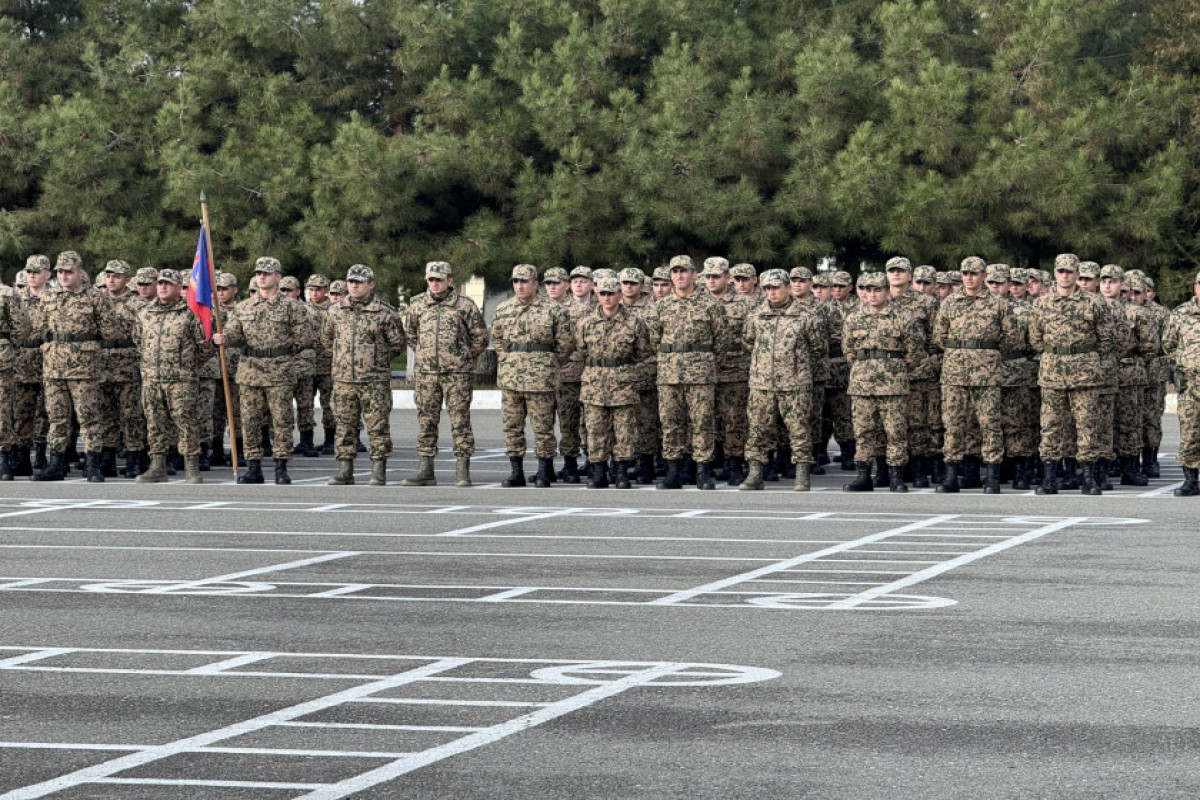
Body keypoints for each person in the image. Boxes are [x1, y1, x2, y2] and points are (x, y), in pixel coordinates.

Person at [212, 256, 315, 485]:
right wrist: (223, 338)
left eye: (266, 273)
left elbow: (304, 338)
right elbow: (234, 334)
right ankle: (253, 466)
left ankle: (281, 465)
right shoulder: (244, 307)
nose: (261, 276)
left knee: (282, 420)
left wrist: (283, 353)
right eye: (258, 273)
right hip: (250, 371)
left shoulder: (292, 307)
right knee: (249, 421)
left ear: (278, 277)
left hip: (279, 370)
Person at [1027, 253, 1120, 495]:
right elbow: (1036, 339)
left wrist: (1084, 357)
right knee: (1051, 426)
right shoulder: (1042, 303)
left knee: (1087, 425)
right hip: (1052, 372)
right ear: (1055, 273)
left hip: (1085, 374)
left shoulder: (1094, 303)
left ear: (1077, 274)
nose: (1065, 275)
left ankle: (1089, 478)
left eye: (1070, 271)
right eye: (1061, 271)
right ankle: (1049, 477)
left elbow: (1106, 338)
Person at [32, 251, 126, 482]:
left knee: (89, 417)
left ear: (80, 273)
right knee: (57, 418)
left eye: (68, 272)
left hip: (84, 367)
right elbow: (37, 327)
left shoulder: (95, 297)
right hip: (54, 366)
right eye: (60, 272)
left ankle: (93, 464)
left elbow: (111, 331)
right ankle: (56, 464)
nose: (63, 276)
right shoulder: (48, 297)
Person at [932, 257, 1017, 493]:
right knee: (953, 424)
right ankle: (952, 475)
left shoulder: (998, 304)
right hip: (955, 372)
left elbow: (1012, 338)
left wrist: (985, 351)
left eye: (974, 273)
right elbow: (939, 337)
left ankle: (991, 476)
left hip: (986, 372)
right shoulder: (950, 303)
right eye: (965, 273)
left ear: (984, 275)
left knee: (990, 424)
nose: (969, 277)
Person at [401, 260, 488, 487]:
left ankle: (462, 470)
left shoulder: (464, 305)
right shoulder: (417, 304)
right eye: (431, 279)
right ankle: (425, 469)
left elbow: (480, 336)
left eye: (439, 279)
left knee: (460, 421)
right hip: (427, 374)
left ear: (450, 280)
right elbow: (410, 335)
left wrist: (464, 357)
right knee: (426, 421)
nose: (435, 283)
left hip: (456, 374)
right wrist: (425, 355)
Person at [738, 269, 826, 491]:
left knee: (799, 430)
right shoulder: (756, 316)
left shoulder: (806, 316)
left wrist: (797, 367)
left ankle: (802, 474)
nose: (771, 292)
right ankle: (755, 473)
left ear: (787, 288)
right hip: (762, 384)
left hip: (795, 383)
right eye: (767, 288)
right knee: (758, 429)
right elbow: (748, 344)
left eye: (776, 287)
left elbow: (819, 349)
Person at [649, 255, 729, 490]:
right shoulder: (661, 306)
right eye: (675, 272)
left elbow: (721, 341)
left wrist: (704, 364)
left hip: (700, 375)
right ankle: (674, 471)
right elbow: (654, 340)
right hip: (669, 375)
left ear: (695, 274)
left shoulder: (710, 305)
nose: (679, 276)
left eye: (684, 271)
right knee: (671, 422)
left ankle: (703, 471)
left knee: (702, 422)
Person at [842, 271, 926, 492]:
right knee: (863, 431)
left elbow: (915, 352)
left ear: (887, 291)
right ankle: (863, 475)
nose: (872, 295)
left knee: (895, 431)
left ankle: (896, 476)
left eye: (877, 290)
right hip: (862, 384)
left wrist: (895, 369)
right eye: (868, 290)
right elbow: (849, 351)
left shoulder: (904, 317)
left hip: (893, 384)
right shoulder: (854, 318)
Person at [323, 265, 407, 486]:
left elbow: (398, 344)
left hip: (374, 381)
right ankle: (344, 470)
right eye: (351, 281)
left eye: (359, 281)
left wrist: (374, 359)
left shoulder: (385, 312)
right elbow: (326, 341)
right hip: (343, 380)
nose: (354, 285)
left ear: (371, 284)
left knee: (378, 427)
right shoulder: (335, 311)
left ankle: (378, 470)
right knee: (343, 426)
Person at [491, 264, 573, 487]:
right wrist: (508, 359)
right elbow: (497, 339)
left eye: (524, 281)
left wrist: (548, 363)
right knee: (512, 426)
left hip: (541, 379)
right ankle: (516, 471)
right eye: (516, 282)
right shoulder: (504, 309)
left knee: (543, 427)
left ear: (535, 284)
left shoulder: (554, 310)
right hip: (511, 378)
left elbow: (565, 344)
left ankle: (544, 471)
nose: (519, 285)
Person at [132, 269, 212, 483]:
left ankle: (191, 468)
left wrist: (186, 366)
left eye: (168, 284)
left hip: (181, 380)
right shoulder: (145, 313)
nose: (163, 287)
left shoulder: (189, 313)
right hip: (151, 379)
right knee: (155, 423)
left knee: (186, 423)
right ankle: (157, 467)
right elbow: (138, 341)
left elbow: (204, 346)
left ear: (179, 288)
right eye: (160, 283)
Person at [574, 274, 654, 488]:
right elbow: (581, 350)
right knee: (596, 430)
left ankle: (621, 473)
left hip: (623, 382)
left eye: (611, 293)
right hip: (594, 383)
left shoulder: (634, 322)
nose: (607, 298)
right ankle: (598, 472)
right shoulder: (586, 323)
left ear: (619, 295)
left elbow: (643, 350)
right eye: (603, 294)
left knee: (624, 431)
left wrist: (621, 363)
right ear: (597, 295)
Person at [703, 257, 753, 487]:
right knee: (705, 421)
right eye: (708, 276)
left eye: (716, 276)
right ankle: (710, 461)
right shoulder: (698, 302)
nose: (711, 281)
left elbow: (752, 338)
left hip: (735, 371)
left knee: (734, 420)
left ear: (727, 278)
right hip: (702, 373)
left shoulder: (745, 304)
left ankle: (734, 464)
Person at [96, 259, 147, 478]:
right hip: (102, 364)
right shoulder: (97, 301)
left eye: (116, 276)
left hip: (128, 364)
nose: (111, 280)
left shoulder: (138, 304)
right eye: (108, 276)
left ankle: (135, 457)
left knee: (131, 414)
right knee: (105, 414)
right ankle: (107, 457)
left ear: (127, 279)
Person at [553, 265, 594, 482]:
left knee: (578, 423)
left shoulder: (582, 311)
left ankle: (583, 462)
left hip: (576, 374)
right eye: (548, 283)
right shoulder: (541, 308)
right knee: (553, 424)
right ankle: (556, 465)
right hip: (548, 374)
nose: (551, 287)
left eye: (556, 283)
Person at [618, 267, 659, 483]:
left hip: (646, 374)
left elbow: (657, 341)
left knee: (646, 423)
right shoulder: (612, 309)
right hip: (618, 379)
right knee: (624, 424)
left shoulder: (652, 310)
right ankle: (623, 463)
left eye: (633, 283)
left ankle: (645, 465)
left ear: (642, 286)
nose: (629, 287)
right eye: (625, 283)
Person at [1162, 271, 1200, 495]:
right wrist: (1184, 362)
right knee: (1190, 431)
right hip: (1191, 383)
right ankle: (1190, 479)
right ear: (1195, 287)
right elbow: (1168, 344)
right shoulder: (1181, 313)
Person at [0, 273, 31, 480]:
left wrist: (8, 346)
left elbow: (22, 326)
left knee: (2, 408)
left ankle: (3, 458)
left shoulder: (7, 294)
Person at [305, 274, 337, 455]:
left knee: (329, 405)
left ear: (326, 290)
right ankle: (306, 441)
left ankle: (330, 440)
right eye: (311, 289)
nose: (314, 292)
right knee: (305, 406)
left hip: (328, 365)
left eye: (318, 289)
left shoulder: (334, 310)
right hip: (307, 366)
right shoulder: (301, 309)